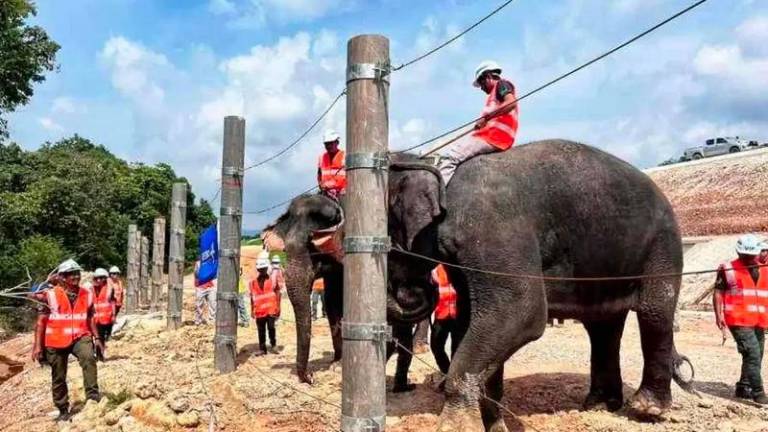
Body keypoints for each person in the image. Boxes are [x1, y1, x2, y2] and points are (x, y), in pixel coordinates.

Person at [31, 259, 104, 421]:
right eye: (71, 274)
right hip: (55, 340)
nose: (76, 277)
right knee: (58, 375)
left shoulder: (87, 293)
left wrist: (97, 338)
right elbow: (40, 321)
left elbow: (90, 316)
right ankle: (62, 409)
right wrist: (37, 346)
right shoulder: (50, 295)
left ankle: (93, 396)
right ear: (62, 277)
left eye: (77, 273)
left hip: (80, 335)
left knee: (88, 358)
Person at [438, 60, 519, 184]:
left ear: (487, 77)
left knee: (450, 157)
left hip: (494, 137)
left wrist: (485, 118)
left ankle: (435, 198)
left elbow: (511, 102)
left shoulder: (502, 84)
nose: (481, 88)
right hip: (494, 137)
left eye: (481, 84)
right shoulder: (493, 95)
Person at [713, 234, 768, 404]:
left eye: (751, 256)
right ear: (739, 252)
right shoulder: (727, 268)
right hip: (738, 319)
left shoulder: (765, 268)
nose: (748, 258)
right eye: (745, 255)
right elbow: (718, 292)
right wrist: (718, 315)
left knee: (757, 355)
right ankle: (758, 394)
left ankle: (744, 386)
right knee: (752, 354)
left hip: (760, 319)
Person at [430, 264, 459, 374]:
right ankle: (447, 373)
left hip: (458, 315)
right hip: (441, 313)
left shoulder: (460, 268)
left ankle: (454, 376)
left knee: (457, 349)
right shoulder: (436, 269)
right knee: (436, 346)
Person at [250, 256, 280, 355]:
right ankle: (262, 349)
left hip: (271, 309)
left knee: (271, 328)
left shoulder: (272, 280)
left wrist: (278, 307)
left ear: (267, 268)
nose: (262, 271)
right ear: (258, 269)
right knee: (261, 330)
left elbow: (278, 292)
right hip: (259, 311)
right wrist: (252, 310)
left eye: (264, 269)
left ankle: (273, 345)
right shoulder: (253, 282)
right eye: (260, 269)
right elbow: (252, 297)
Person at [92, 268, 116, 358]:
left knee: (103, 337)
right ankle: (98, 355)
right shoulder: (91, 288)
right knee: (98, 336)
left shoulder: (109, 289)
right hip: (95, 318)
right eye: (97, 278)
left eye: (101, 278)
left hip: (106, 317)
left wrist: (113, 315)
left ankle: (100, 354)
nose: (99, 280)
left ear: (105, 278)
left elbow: (113, 302)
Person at [317, 129, 346, 200]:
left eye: (331, 143)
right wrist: (322, 186)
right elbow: (319, 176)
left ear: (337, 142)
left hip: (342, 194)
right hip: (326, 194)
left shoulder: (344, 156)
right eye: (326, 144)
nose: (328, 146)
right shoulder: (321, 158)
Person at [194, 259, 217, 325]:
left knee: (213, 304)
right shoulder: (198, 263)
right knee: (199, 305)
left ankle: (212, 320)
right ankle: (198, 321)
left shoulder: (211, 263)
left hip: (210, 287)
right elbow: (197, 274)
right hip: (200, 287)